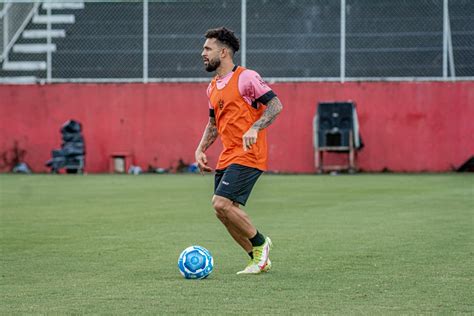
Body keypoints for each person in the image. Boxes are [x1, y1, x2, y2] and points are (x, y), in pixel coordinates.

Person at [194, 27, 283, 275]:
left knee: (221, 203)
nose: (202, 53)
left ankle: (261, 243)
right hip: (227, 155)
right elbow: (213, 123)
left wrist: (255, 127)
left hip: (249, 153)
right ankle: (257, 258)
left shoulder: (247, 78)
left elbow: (276, 105)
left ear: (223, 52)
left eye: (207, 48)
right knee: (222, 212)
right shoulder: (212, 87)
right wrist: (201, 149)